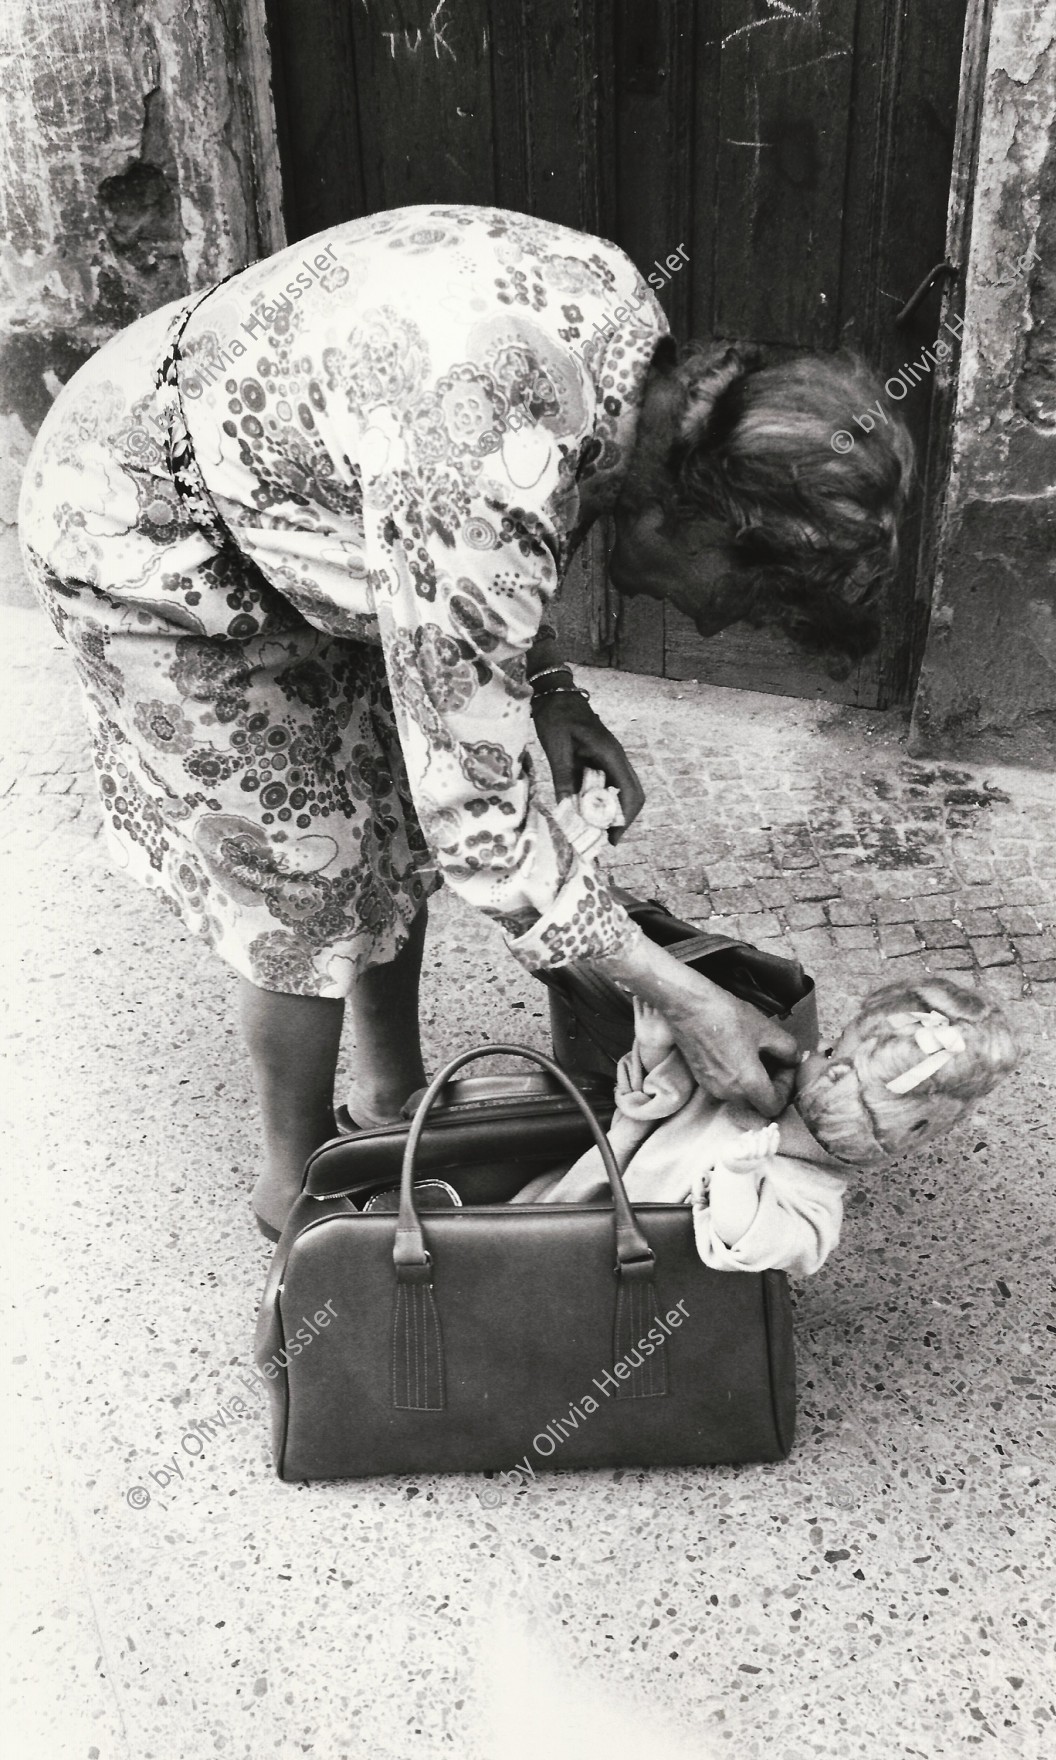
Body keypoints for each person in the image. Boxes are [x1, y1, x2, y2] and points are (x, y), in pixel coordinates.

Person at [18, 203, 914, 1237]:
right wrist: (688, 1000)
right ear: (704, 509)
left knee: (388, 811)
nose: (713, 621)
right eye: (743, 598)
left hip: (284, 494)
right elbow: (483, 822)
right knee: (299, 875)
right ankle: (299, 1197)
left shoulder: (629, 357)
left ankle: (390, 1100)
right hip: (143, 525)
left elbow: (456, 562)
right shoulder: (497, 458)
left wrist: (554, 694)